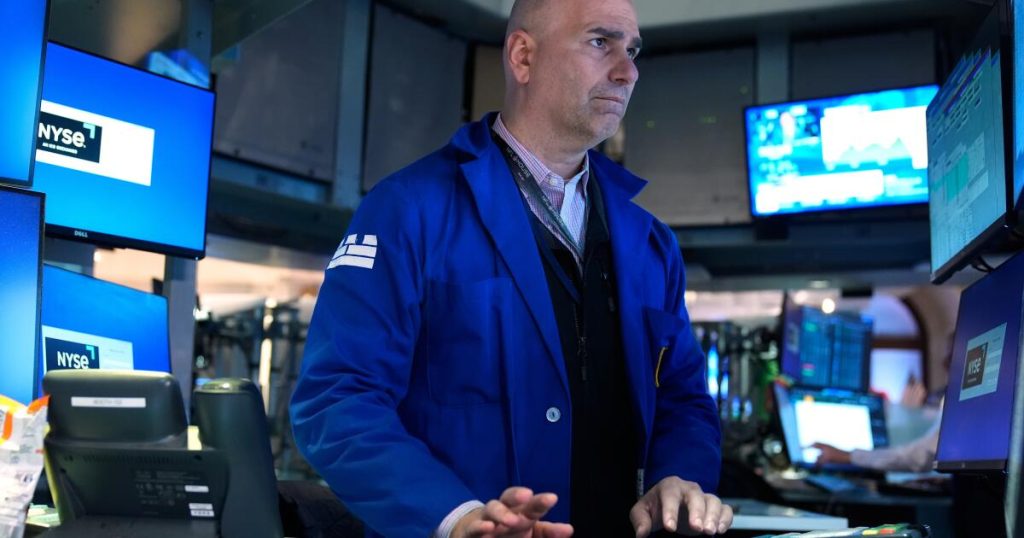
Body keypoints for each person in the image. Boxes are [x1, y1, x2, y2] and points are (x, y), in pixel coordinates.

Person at [289, 0, 732, 536]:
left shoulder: (650, 242)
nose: (628, 71)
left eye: (632, 51)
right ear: (523, 56)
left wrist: (679, 477)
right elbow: (337, 399)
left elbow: (683, 398)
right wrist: (453, 517)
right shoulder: (409, 209)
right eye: (600, 43)